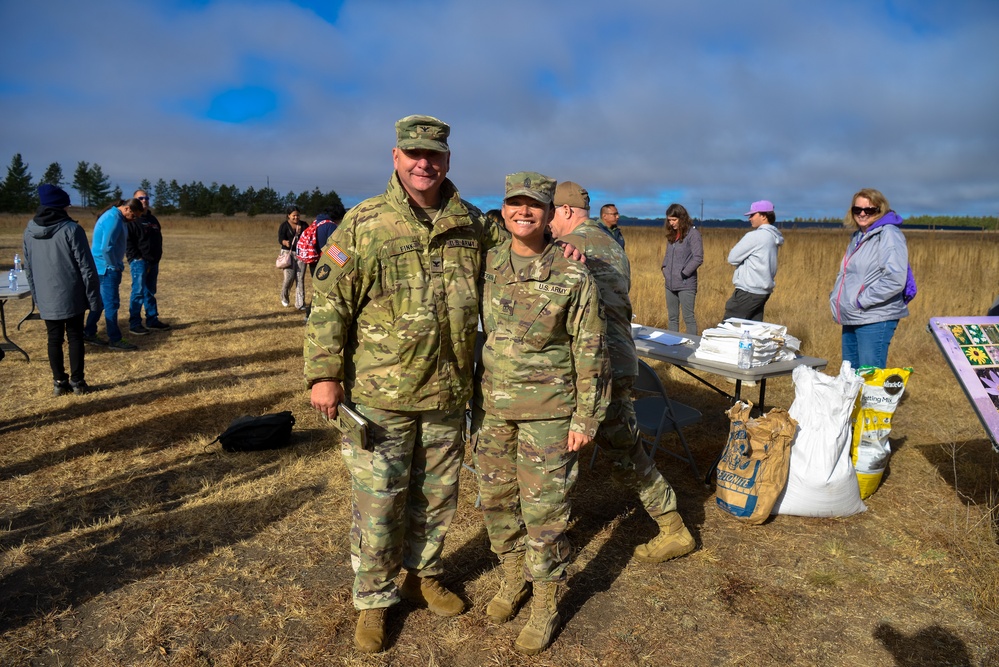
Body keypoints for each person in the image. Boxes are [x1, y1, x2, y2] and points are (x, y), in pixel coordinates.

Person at [304, 114, 506, 654]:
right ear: (396, 158)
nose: (424, 163)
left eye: (434, 155)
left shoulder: (470, 223)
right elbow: (329, 302)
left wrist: (569, 246)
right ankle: (372, 599)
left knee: (438, 497)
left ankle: (423, 574)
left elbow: (518, 255)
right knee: (379, 502)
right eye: (414, 154)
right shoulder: (364, 224)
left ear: (447, 161)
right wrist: (324, 374)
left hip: (446, 392)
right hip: (380, 395)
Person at [473, 173, 610, 655]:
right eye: (515, 203)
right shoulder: (488, 265)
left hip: (549, 414)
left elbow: (590, 348)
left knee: (545, 513)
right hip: (495, 410)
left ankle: (546, 601)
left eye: (535, 205)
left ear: (551, 213)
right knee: (495, 500)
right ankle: (514, 580)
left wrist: (585, 418)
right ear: (504, 209)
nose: (524, 211)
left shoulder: (573, 272)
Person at [550, 181, 695, 562]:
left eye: (550, 213)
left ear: (565, 211)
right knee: (619, 446)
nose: (547, 222)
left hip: (595, 365)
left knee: (615, 450)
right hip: (617, 358)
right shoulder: (610, 241)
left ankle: (673, 527)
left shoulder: (571, 248)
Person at [22, 184, 102, 394]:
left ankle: (59, 382)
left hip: (47, 296)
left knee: (54, 338)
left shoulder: (29, 230)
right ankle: (77, 382)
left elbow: (28, 267)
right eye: (66, 206)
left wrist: (37, 297)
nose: (68, 209)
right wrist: (94, 299)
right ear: (59, 207)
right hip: (72, 294)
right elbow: (87, 268)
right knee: (75, 336)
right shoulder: (71, 230)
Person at [829, 188, 912, 369]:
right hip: (853, 315)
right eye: (857, 210)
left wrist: (861, 301)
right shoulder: (859, 236)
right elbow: (847, 273)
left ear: (880, 210)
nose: (862, 213)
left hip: (875, 316)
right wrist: (838, 298)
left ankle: (874, 398)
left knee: (870, 375)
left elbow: (895, 279)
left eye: (869, 210)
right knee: (850, 374)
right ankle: (855, 399)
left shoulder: (888, 234)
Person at [84, 198, 143, 350]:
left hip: (101, 268)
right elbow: (106, 248)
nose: (134, 220)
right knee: (111, 304)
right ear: (127, 209)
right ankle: (115, 339)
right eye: (134, 216)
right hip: (106, 269)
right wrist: (114, 265)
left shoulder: (115, 217)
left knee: (101, 303)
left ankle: (88, 332)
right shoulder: (114, 219)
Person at [722, 200, 784, 322]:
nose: (749, 218)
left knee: (728, 329)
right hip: (762, 292)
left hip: (748, 291)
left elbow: (732, 258)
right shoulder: (773, 236)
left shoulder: (755, 236)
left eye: (752, 215)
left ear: (763, 216)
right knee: (753, 330)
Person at [126, 189, 169, 335]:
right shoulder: (132, 219)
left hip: (153, 262)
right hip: (139, 262)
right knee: (137, 293)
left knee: (150, 292)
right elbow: (128, 242)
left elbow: (158, 239)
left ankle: (152, 320)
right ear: (134, 201)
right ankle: (135, 324)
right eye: (140, 198)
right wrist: (137, 258)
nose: (144, 200)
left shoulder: (153, 220)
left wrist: (157, 256)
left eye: (146, 198)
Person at [661, 203, 703, 333]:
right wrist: (664, 269)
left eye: (674, 220)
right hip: (670, 284)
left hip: (686, 284)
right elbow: (667, 256)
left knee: (688, 318)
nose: (672, 223)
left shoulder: (693, 234)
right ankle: (672, 347)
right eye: (669, 220)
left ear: (682, 218)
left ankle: (693, 349)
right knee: (672, 318)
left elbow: (698, 258)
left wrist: (683, 274)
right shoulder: (672, 236)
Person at [278, 205, 306, 309]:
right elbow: (280, 238)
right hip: (287, 254)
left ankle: (300, 303)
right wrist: (284, 242)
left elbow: (308, 237)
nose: (296, 217)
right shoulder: (284, 225)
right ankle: (284, 297)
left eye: (298, 215)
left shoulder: (304, 225)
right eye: (293, 215)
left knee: (300, 278)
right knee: (288, 278)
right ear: (288, 216)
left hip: (301, 253)